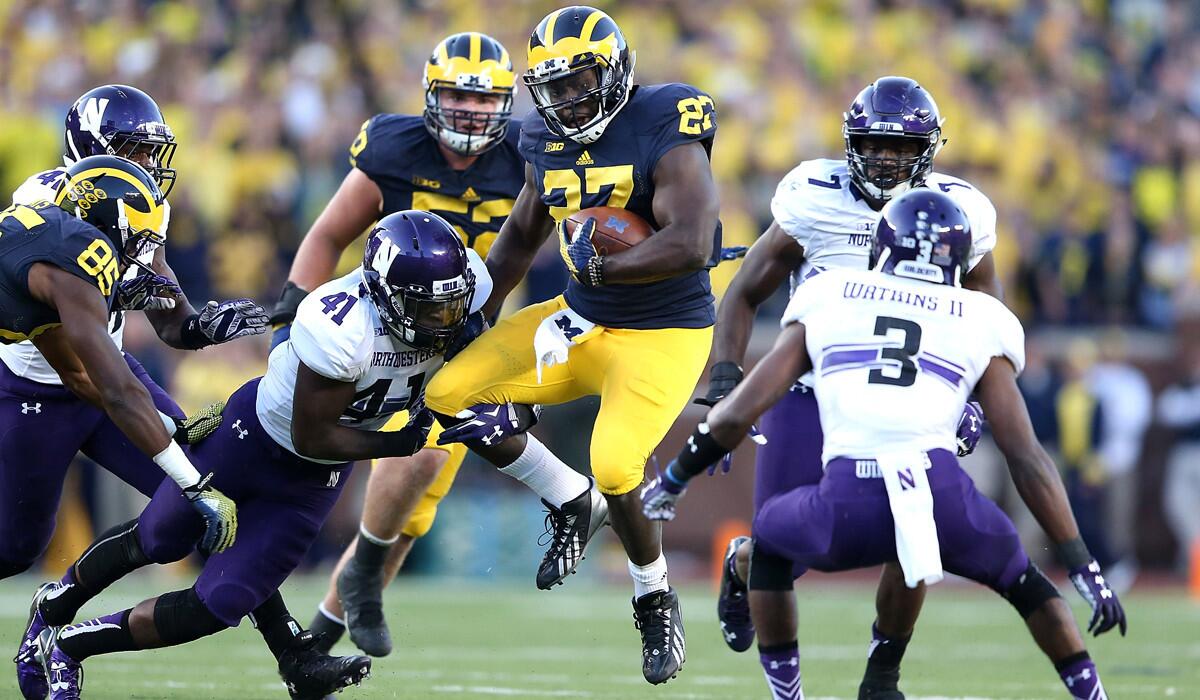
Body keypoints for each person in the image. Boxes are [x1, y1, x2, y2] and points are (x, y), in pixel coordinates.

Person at [644, 189, 1126, 700]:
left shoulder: (831, 294)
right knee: (1027, 584)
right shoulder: (983, 316)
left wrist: (676, 477)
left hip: (849, 499)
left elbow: (742, 407)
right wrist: (1084, 566)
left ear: (881, 247)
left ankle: (791, 695)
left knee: (769, 543)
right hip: (940, 499)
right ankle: (1092, 694)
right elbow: (1025, 454)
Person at [36, 211, 487, 699]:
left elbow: (499, 282)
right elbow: (313, 436)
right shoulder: (341, 325)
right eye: (425, 308)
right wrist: (404, 441)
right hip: (253, 437)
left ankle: (73, 644)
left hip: (313, 482)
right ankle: (57, 602)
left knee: (219, 604)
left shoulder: (461, 300)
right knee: (161, 536)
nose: (442, 319)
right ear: (383, 293)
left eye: (448, 305)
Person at [7, 87, 365, 700]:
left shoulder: (137, 203)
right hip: (35, 386)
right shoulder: (47, 215)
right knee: (17, 546)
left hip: (108, 371)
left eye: (151, 152)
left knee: (216, 502)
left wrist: (200, 325)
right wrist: (186, 473)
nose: (146, 164)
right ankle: (52, 604)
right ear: (89, 155)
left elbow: (167, 314)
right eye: (131, 150)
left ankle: (292, 654)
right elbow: (84, 375)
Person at [425, 5, 725, 684]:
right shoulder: (541, 141)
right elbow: (513, 249)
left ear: (615, 73)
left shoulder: (665, 120)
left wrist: (608, 267)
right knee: (447, 392)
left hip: (663, 332)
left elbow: (695, 241)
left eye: (577, 82)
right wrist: (469, 321)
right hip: (578, 319)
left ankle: (654, 596)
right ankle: (570, 500)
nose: (564, 99)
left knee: (617, 464)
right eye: (551, 87)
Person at [688, 76, 1000, 698]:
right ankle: (744, 563)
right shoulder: (815, 197)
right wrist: (725, 378)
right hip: (813, 393)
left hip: (909, 396)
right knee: (788, 548)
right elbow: (745, 290)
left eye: (899, 147)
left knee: (916, 538)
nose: (886, 158)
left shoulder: (959, 210)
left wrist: (971, 399)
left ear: (928, 151)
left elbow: (986, 308)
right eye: (874, 144)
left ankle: (882, 677)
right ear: (850, 144)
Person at [267, 32, 526, 658]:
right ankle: (323, 582)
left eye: (485, 98)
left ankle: (320, 640)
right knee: (415, 458)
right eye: (459, 94)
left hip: (473, 338)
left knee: (415, 504)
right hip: (382, 333)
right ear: (432, 95)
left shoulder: (530, 155)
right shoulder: (392, 146)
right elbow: (328, 234)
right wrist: (291, 314)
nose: (470, 110)